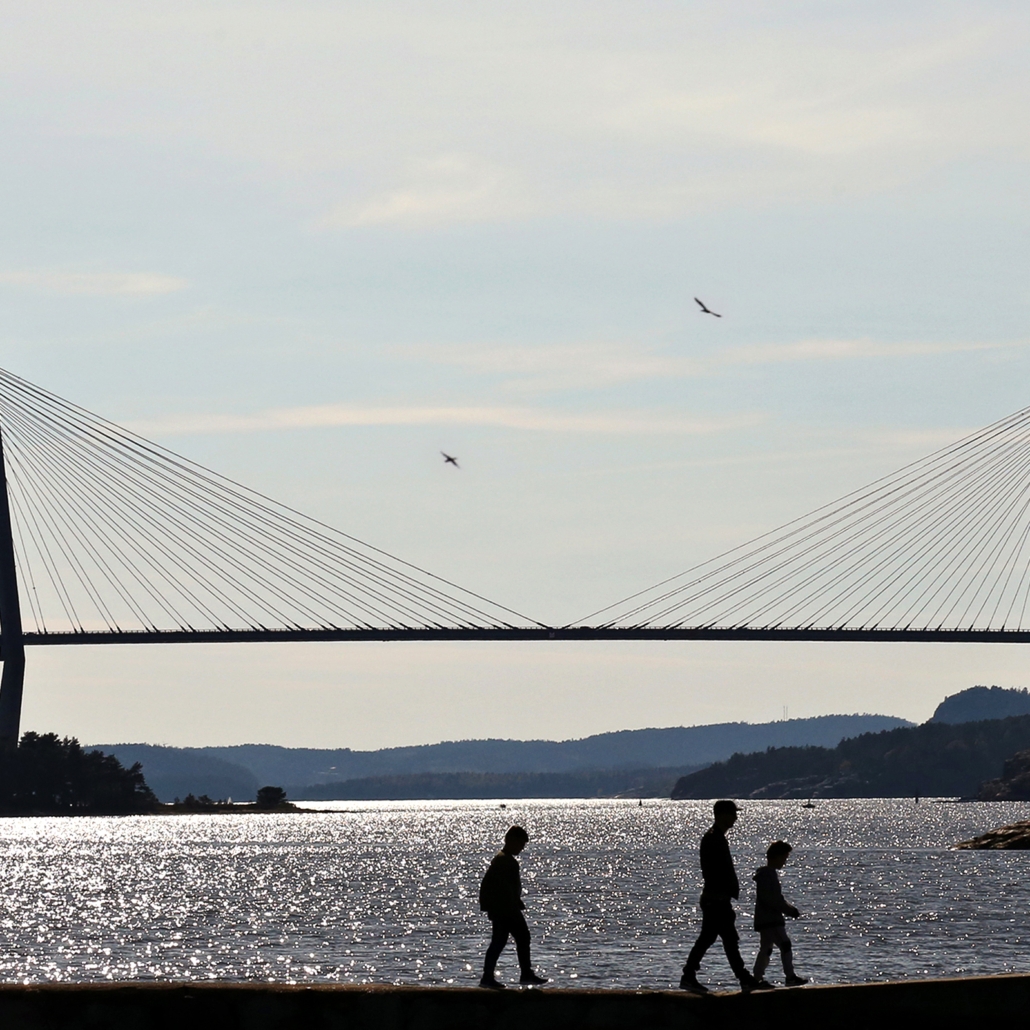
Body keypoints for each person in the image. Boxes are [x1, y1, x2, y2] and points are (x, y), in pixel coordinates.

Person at [680, 800, 767, 995]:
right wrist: (721, 894)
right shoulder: (713, 839)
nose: (736, 818)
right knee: (726, 940)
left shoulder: (715, 837)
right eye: (732, 814)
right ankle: (743, 979)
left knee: (715, 939)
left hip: (717, 899)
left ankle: (691, 976)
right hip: (716, 900)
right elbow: (714, 871)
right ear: (721, 815)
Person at [478, 825, 548, 988]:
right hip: (506, 909)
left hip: (502, 908)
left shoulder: (501, 859)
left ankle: (488, 977)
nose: (522, 848)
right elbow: (503, 888)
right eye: (521, 844)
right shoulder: (506, 861)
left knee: (499, 942)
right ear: (511, 841)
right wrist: (512, 906)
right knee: (522, 937)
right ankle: (525, 974)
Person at [752, 841, 808, 987]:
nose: (785, 862)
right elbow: (773, 899)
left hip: (765, 919)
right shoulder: (768, 875)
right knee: (785, 945)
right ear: (776, 857)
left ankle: (756, 979)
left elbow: (775, 898)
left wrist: (788, 908)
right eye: (784, 858)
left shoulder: (767, 875)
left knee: (766, 949)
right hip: (771, 919)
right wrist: (790, 910)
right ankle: (790, 976)